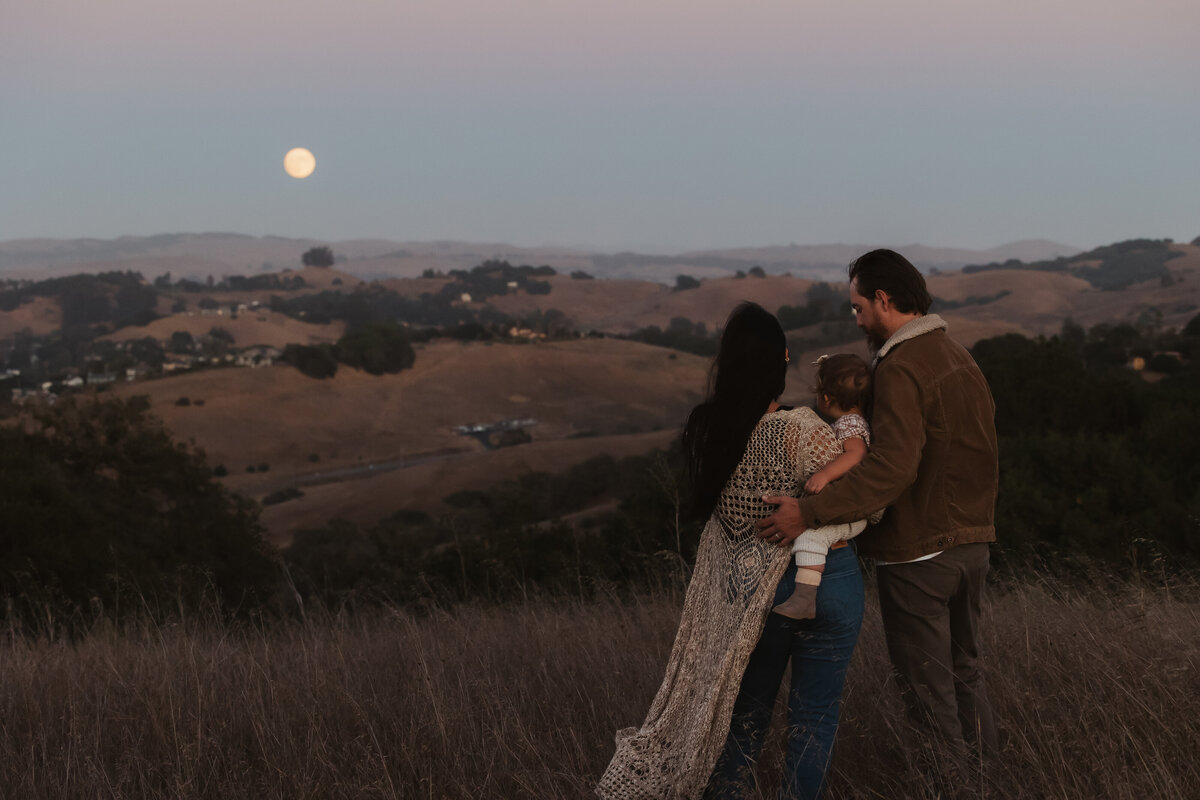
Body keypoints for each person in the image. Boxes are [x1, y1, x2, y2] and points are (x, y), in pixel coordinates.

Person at [596, 303, 873, 800]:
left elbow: (725, 519)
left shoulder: (706, 429)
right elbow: (865, 497)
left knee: (744, 717)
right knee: (814, 718)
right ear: (780, 360)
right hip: (831, 577)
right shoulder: (800, 427)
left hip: (753, 590)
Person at [755, 249, 1000, 763]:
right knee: (965, 674)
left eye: (858, 307)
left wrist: (809, 513)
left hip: (920, 554)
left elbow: (892, 467)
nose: (857, 318)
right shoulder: (960, 356)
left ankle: (952, 791)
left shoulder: (901, 366)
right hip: (974, 544)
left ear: (884, 300)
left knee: (929, 695)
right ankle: (988, 781)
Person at [773, 353, 872, 620]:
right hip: (849, 506)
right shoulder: (851, 421)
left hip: (855, 511)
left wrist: (825, 475)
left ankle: (805, 599)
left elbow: (856, 454)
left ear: (825, 398)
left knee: (810, 536)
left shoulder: (849, 424)